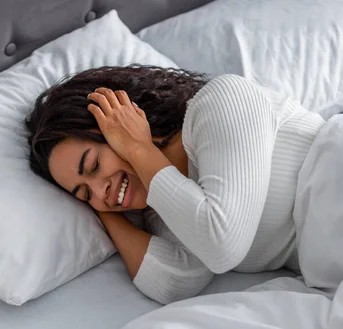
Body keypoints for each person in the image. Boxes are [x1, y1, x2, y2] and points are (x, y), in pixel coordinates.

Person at [25, 65, 325, 304]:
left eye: (93, 166)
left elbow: (221, 246)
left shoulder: (222, 101)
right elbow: (175, 283)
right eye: (84, 193)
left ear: (120, 122)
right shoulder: (167, 209)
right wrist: (104, 213)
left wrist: (140, 150)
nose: (99, 190)